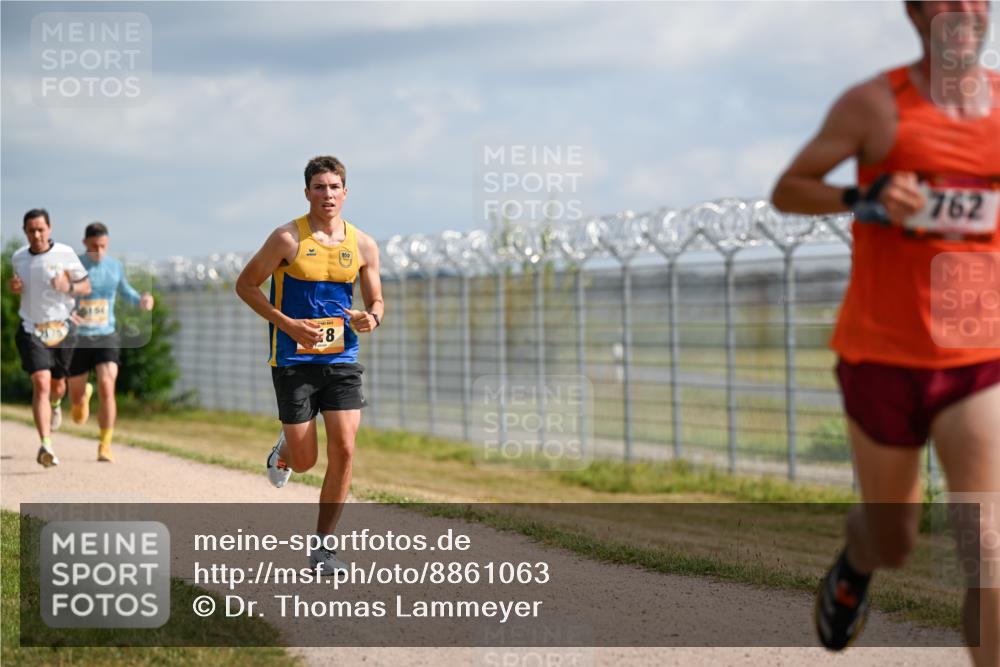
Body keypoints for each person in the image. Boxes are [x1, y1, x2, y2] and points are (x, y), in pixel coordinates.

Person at [772, 1, 999, 663]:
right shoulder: (874, 105)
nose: (962, 10)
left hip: (979, 356)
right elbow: (790, 188)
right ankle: (857, 562)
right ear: (915, 12)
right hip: (883, 353)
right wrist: (861, 198)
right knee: (893, 536)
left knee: (986, 546)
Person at [235, 155, 384, 576]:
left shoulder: (363, 245)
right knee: (305, 462)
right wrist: (287, 325)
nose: (327, 194)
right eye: (319, 187)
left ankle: (322, 549)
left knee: (346, 449)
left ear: (345, 192)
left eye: (334, 187)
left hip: (342, 358)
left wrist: (369, 318)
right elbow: (245, 285)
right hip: (292, 360)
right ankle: (284, 451)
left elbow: (376, 302)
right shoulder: (287, 239)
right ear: (307, 193)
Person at [66, 222, 155, 462]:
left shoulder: (115, 267)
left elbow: (126, 292)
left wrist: (142, 300)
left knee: (107, 385)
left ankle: (105, 445)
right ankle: (81, 397)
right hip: (78, 338)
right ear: (85, 243)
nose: (99, 251)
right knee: (75, 404)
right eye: (94, 246)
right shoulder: (73, 267)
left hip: (106, 335)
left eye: (103, 246)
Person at [9, 208, 91, 467]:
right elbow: (20, 286)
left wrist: (68, 287)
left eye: (41, 229)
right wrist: (15, 288)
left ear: (49, 229)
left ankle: (56, 404)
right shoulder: (18, 257)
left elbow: (86, 286)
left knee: (57, 387)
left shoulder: (65, 253)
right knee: (41, 383)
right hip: (32, 328)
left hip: (62, 328)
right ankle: (46, 444)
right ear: (25, 231)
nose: (36, 234)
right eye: (31, 230)